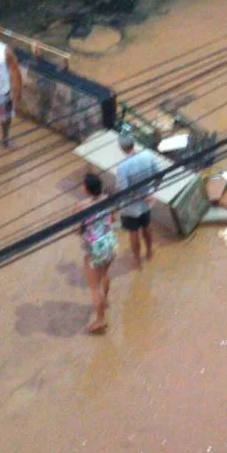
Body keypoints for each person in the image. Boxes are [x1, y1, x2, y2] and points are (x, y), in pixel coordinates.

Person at [115, 131, 163, 270]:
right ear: (133, 143)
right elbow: (160, 175)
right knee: (147, 228)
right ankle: (149, 252)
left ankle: (137, 259)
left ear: (121, 148)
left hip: (131, 207)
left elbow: (123, 190)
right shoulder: (148, 155)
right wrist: (153, 191)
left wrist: (139, 196)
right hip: (147, 203)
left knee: (133, 232)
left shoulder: (123, 167)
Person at [76, 172, 117, 334]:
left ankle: (100, 320)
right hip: (110, 242)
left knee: (94, 287)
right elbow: (113, 219)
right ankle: (104, 301)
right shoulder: (108, 199)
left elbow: (79, 229)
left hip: (95, 248)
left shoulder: (81, 206)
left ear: (87, 189)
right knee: (105, 274)